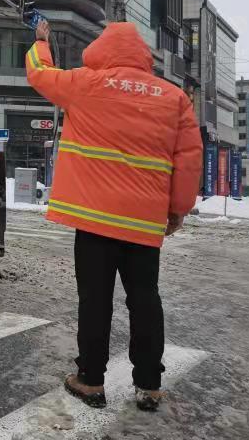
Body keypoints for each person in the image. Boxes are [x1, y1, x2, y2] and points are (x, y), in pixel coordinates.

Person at [25, 21, 202, 412]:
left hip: (93, 220)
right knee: (144, 300)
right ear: (142, 56)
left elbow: (41, 74)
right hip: (142, 224)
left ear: (102, 52)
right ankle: (150, 385)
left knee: (95, 301)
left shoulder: (85, 83)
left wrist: (41, 42)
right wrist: (177, 209)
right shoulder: (173, 98)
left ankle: (90, 381)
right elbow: (188, 158)